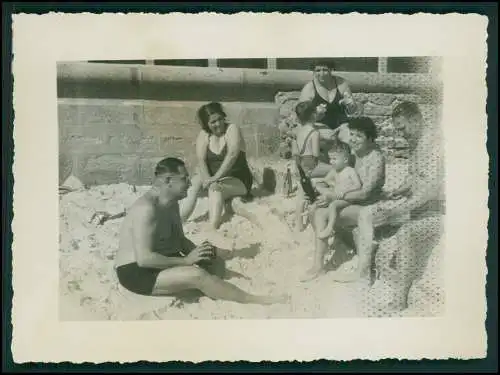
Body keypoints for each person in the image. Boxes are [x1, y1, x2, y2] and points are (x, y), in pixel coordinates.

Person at [114, 157, 289, 305]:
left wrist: (201, 254)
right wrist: (187, 261)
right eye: (184, 179)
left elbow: (180, 240)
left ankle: (213, 286)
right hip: (135, 271)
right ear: (168, 181)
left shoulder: (171, 201)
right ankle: (255, 299)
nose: (190, 183)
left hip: (159, 257)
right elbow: (144, 259)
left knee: (215, 262)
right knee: (197, 275)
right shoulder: (146, 209)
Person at [366, 101, 445, 313]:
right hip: (420, 208)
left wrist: (399, 210)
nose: (401, 134)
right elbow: (413, 176)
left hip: (439, 210)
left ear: (417, 120)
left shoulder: (435, 145)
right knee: (373, 214)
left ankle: (400, 297)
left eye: (403, 128)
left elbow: (431, 190)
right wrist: (397, 192)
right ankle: (368, 276)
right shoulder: (416, 142)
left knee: (407, 233)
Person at [310, 116, 386, 282]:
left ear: (370, 138)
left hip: (369, 206)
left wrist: (333, 196)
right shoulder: (354, 153)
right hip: (352, 202)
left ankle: (318, 266)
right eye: (352, 134)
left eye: (359, 136)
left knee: (322, 214)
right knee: (316, 208)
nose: (353, 139)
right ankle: (320, 261)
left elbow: (365, 193)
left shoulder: (376, 158)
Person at [300, 140, 362, 281]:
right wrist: (322, 186)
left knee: (332, 207)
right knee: (315, 206)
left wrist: (343, 191)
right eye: (330, 159)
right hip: (338, 196)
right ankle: (322, 239)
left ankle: (328, 229)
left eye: (334, 159)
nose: (331, 162)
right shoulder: (336, 171)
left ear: (345, 159)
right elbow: (325, 181)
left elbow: (358, 186)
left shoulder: (350, 171)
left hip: (348, 199)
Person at [194, 102, 254, 230]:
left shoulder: (232, 129)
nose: (218, 124)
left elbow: (232, 155)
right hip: (215, 179)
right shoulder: (204, 135)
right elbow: (201, 160)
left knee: (216, 189)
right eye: (213, 122)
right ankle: (181, 220)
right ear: (206, 124)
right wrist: (206, 179)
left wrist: (213, 179)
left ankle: (212, 227)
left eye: (220, 119)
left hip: (238, 180)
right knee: (192, 185)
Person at [299, 59, 361, 147]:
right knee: (330, 139)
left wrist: (351, 104)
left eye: (325, 70)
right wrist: (316, 114)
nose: (321, 74)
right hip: (320, 125)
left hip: (342, 124)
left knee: (350, 141)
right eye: (318, 70)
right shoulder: (309, 88)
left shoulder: (341, 83)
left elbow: (352, 111)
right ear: (313, 72)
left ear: (331, 70)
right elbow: (303, 117)